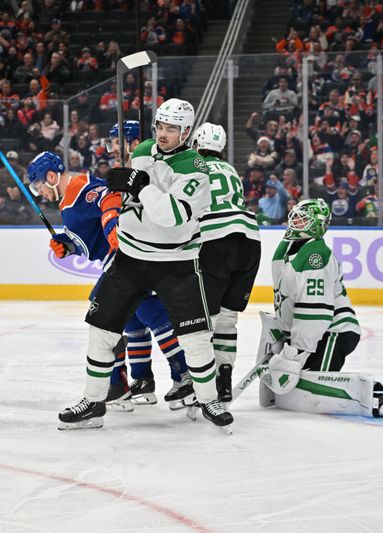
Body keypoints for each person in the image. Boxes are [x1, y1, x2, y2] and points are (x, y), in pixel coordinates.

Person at [52, 98, 233, 431]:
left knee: (194, 338)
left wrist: (142, 185)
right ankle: (94, 401)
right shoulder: (143, 151)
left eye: (172, 129)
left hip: (176, 261)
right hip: (131, 258)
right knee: (101, 329)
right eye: (160, 127)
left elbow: (172, 215)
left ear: (187, 131)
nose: (164, 134)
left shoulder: (196, 168)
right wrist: (119, 191)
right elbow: (127, 199)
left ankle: (208, 400)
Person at [260, 199, 383, 417]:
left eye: (302, 218)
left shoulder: (316, 256)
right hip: (318, 334)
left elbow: (314, 312)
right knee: (298, 385)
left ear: (315, 225)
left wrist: (296, 351)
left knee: (306, 387)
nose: (294, 221)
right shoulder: (290, 250)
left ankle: (372, 397)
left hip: (332, 332)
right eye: (295, 216)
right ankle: (368, 390)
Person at [102, 120, 194, 411]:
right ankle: (142, 379)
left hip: (154, 255)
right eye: (113, 142)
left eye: (118, 141)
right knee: (133, 321)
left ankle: (184, 375)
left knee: (151, 314)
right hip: (129, 255)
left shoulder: (157, 170)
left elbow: (162, 209)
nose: (113, 147)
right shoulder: (125, 172)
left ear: (133, 143)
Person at [192, 122, 262, 402]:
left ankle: (202, 384)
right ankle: (224, 377)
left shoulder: (193, 166)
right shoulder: (231, 170)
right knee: (228, 318)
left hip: (214, 238)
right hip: (248, 239)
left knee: (204, 318)